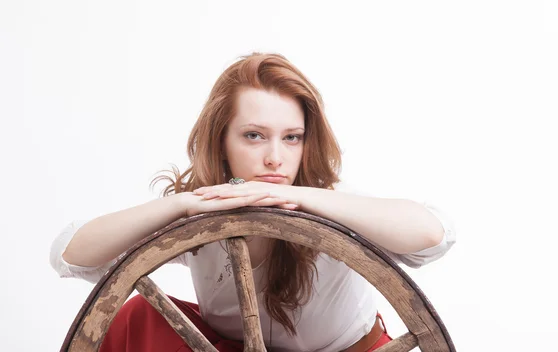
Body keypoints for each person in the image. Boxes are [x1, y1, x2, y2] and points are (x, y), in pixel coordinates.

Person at [50, 52, 456, 352]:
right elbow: (71, 256)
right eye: (254, 135)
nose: (275, 158)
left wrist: (295, 196)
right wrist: (182, 206)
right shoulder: (206, 209)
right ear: (221, 141)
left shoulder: (330, 201)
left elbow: (433, 235)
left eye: (291, 137)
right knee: (138, 316)